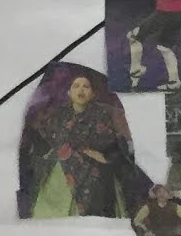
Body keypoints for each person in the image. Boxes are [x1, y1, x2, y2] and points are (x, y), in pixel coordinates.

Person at [17, 65, 146, 219]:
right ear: (69, 92)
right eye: (76, 86)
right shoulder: (58, 115)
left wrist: (104, 157)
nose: (81, 90)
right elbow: (45, 143)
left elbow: (114, 145)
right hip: (61, 175)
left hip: (94, 175)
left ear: (92, 93)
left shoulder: (102, 114)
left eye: (86, 86)